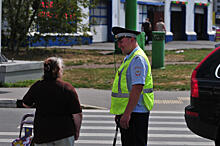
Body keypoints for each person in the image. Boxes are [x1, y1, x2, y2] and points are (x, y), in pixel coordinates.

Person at [22, 57, 82, 146]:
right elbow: (77, 114)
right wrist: (76, 131)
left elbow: (26, 104)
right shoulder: (67, 88)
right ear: (57, 70)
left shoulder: (37, 87)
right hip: (64, 133)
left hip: (42, 134)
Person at [110, 26, 154, 146]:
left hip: (135, 113)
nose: (119, 45)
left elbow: (137, 88)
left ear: (131, 39)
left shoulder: (137, 59)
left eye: (121, 41)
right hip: (131, 112)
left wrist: (127, 114)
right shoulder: (130, 57)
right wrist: (121, 113)